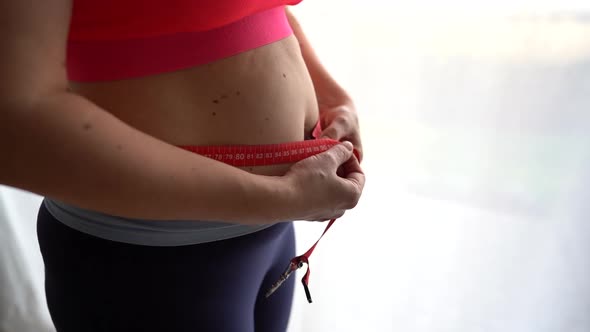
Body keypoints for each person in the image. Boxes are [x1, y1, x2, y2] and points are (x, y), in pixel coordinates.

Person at [0, 0, 365, 331]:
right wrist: (280, 197)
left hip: (271, 231)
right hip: (148, 258)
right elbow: (15, 127)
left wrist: (333, 97)